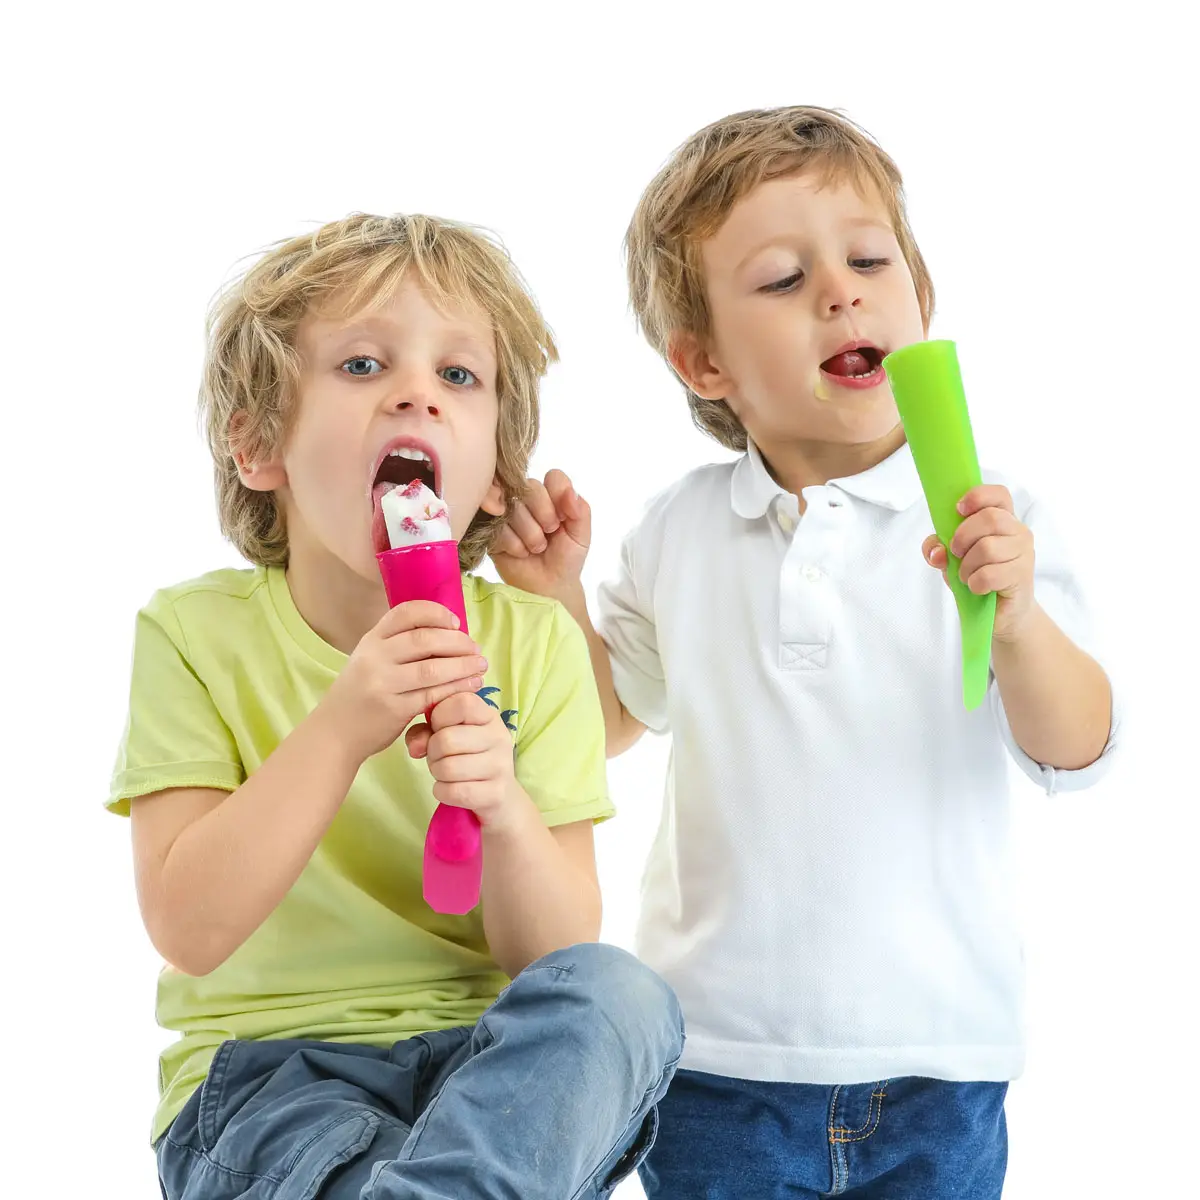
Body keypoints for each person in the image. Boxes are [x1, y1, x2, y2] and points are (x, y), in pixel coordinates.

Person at [493, 107, 1120, 1198]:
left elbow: (1078, 749)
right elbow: (607, 726)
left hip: (941, 1062)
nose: (841, 291)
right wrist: (554, 601)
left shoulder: (996, 519)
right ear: (705, 362)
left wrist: (1016, 620)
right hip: (714, 1062)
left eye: (870, 260)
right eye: (784, 280)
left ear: (921, 297)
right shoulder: (679, 528)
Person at [108, 212, 682, 1199]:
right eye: (364, 365)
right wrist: (342, 727)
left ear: (492, 479)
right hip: (270, 1078)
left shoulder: (535, 643)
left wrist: (501, 805)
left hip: (491, 1078)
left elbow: (554, 957)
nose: (418, 392)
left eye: (458, 375)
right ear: (258, 444)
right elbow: (188, 928)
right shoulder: (193, 634)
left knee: (625, 996)